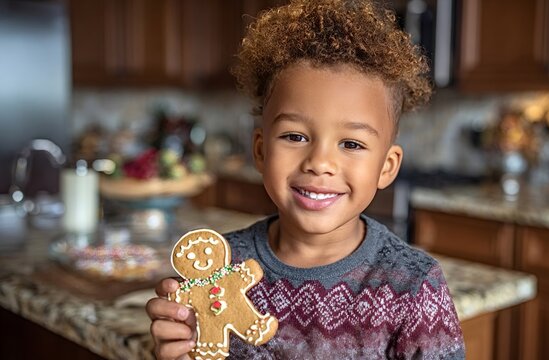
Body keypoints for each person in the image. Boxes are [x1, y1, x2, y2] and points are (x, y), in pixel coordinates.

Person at [146, 0, 465, 358]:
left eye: (351, 143)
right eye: (295, 136)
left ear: (387, 167)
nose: (319, 163)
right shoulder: (219, 268)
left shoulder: (413, 287)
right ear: (261, 150)